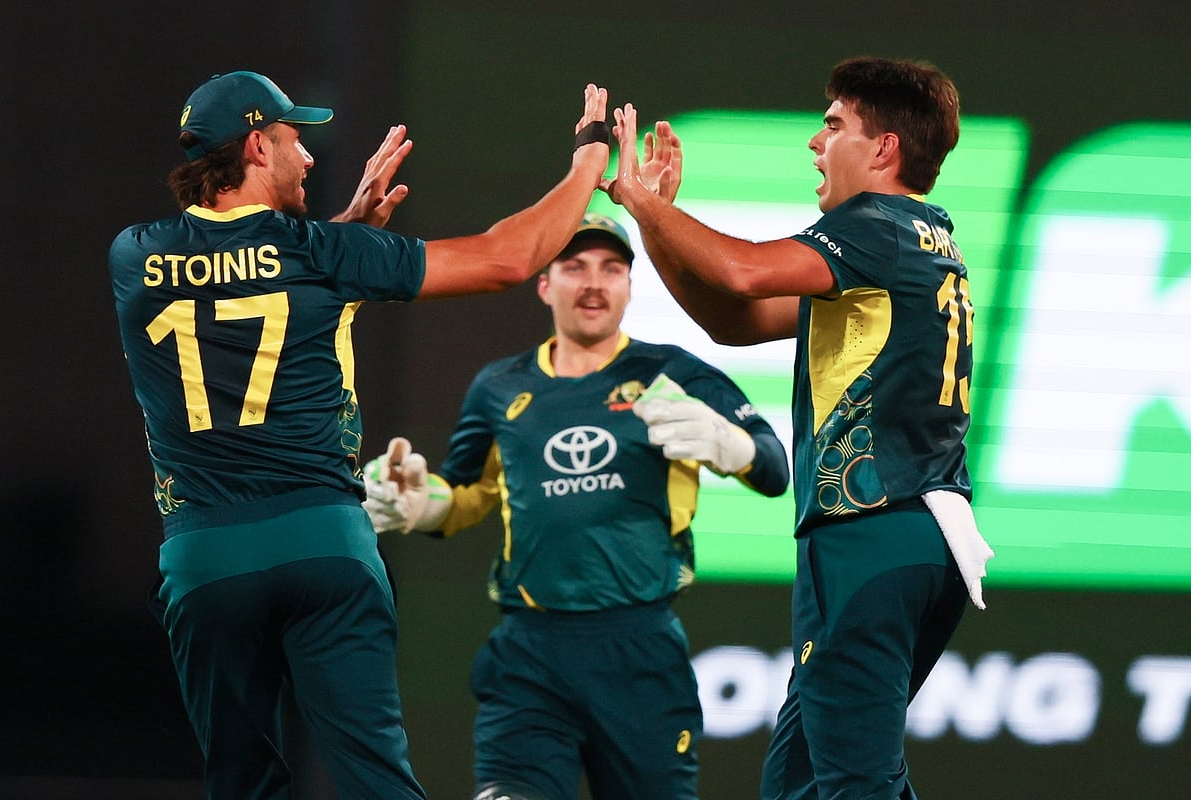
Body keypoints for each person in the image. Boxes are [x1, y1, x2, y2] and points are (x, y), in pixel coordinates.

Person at [109, 69, 611, 800]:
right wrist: (589, 163)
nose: (308, 155)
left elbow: (242, 276)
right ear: (257, 146)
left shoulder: (133, 255)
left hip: (206, 557)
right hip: (323, 542)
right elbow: (508, 259)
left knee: (241, 786)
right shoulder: (324, 254)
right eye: (293, 138)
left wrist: (343, 231)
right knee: (377, 783)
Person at [601, 57, 994, 799]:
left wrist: (642, 203)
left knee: (850, 783)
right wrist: (654, 224)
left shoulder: (872, 227)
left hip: (867, 532)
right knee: (803, 780)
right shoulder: (921, 236)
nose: (817, 142)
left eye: (835, 125)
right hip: (919, 532)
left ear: (883, 149)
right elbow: (735, 320)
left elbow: (744, 272)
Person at [361, 212, 790, 800]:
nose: (594, 283)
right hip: (530, 655)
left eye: (611, 269)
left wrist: (730, 443)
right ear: (544, 284)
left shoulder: (672, 373)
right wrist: (416, 502)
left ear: (630, 286)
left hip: (640, 652)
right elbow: (462, 496)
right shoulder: (500, 386)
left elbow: (774, 469)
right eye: (575, 267)